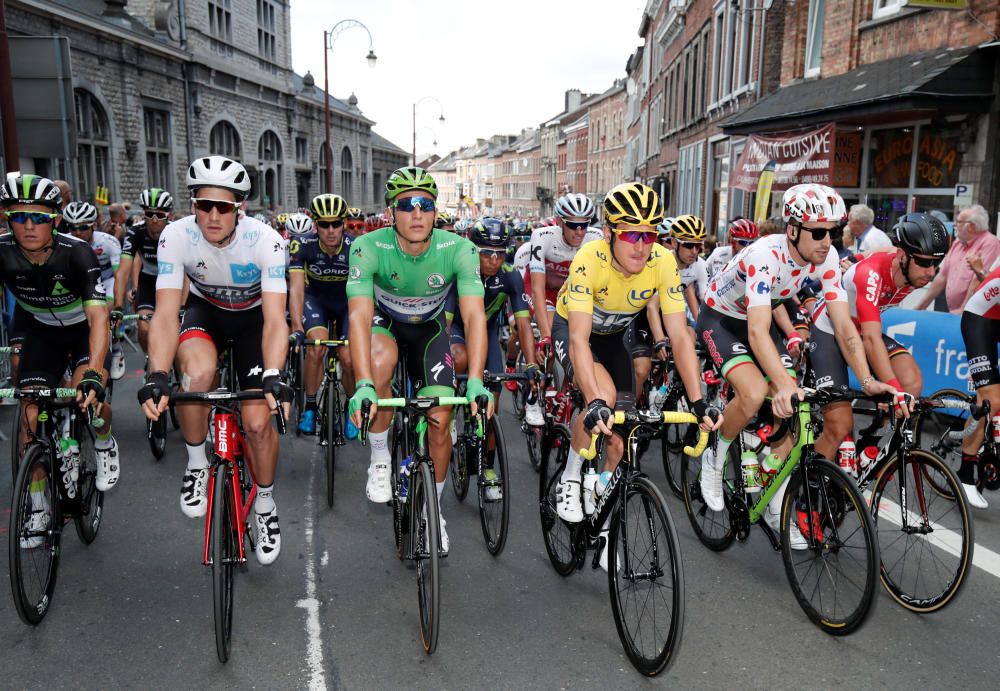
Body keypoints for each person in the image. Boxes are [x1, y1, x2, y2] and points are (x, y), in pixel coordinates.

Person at [696, 183, 896, 548]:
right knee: (756, 392)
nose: (827, 241)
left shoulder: (829, 259)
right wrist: (781, 383)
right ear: (792, 230)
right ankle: (716, 451)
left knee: (794, 410)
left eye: (833, 232)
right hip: (723, 320)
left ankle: (776, 505)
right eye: (818, 232)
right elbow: (757, 332)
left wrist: (867, 380)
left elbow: (843, 326)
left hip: (761, 316)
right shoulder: (764, 255)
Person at [553, 182, 721, 571]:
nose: (641, 246)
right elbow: (578, 338)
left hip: (613, 338)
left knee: (619, 439)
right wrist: (593, 400)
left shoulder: (662, 262)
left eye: (649, 235)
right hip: (574, 331)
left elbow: (680, 334)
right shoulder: (589, 259)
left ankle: (607, 529)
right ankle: (572, 475)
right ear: (609, 233)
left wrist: (698, 403)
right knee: (604, 401)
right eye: (630, 233)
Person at [137, 156, 289, 566]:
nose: (214, 215)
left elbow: (276, 319)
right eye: (205, 205)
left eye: (224, 207)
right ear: (193, 206)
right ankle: (197, 463)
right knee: (198, 375)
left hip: (254, 321)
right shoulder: (175, 236)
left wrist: (274, 373)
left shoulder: (267, 241)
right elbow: (167, 313)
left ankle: (265, 505)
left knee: (258, 424)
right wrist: (157, 373)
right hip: (207, 314)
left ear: (241, 208)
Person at [346, 167, 491, 555]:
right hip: (386, 325)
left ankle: (433, 511)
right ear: (390, 211)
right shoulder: (367, 247)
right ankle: (380, 457)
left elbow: (474, 315)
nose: (416, 214)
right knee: (379, 363)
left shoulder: (459, 249)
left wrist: (475, 379)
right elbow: (359, 316)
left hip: (430, 329)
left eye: (424, 205)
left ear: (434, 211)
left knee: (441, 419)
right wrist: (361, 383)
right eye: (405, 205)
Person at [0, 175, 120, 535]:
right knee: (29, 414)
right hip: (40, 329)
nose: (29, 226)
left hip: (83, 329)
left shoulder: (77, 252)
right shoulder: (2, 251)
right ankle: (37, 504)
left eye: (39, 217)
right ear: (8, 219)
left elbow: (99, 318)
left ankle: (102, 439)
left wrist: (95, 374)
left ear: (55, 219)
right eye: (20, 217)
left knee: (88, 397)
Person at [808, 213, 946, 464]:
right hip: (830, 329)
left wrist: (854, 257)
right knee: (839, 427)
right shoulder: (872, 275)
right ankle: (808, 492)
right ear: (904, 257)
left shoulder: (907, 265)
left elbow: (885, 250)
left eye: (936, 264)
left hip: (860, 328)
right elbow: (871, 339)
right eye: (925, 263)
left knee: (912, 383)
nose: (931, 272)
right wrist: (893, 389)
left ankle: (870, 441)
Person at [448, 217, 542, 427]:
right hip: (457, 329)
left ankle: (487, 460)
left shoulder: (510, 276)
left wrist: (531, 363)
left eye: (500, 253)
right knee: (459, 359)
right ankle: (451, 414)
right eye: (486, 252)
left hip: (487, 332)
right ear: (473, 250)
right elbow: (445, 322)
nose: (494, 260)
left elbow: (524, 322)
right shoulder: (458, 271)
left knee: (492, 409)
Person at [289, 193, 356, 438]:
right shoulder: (302, 245)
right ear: (315, 224)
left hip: (347, 303)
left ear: (344, 224)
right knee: (316, 347)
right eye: (324, 224)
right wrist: (296, 327)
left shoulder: (355, 248)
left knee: (348, 357)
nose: (330, 230)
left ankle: (351, 406)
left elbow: (363, 292)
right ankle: (309, 407)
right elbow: (296, 288)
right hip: (315, 299)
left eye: (336, 223)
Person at [527, 193, 602, 357]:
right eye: (573, 225)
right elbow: (537, 289)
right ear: (560, 222)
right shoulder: (543, 237)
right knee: (554, 335)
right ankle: (547, 372)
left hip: (572, 294)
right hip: (547, 292)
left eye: (585, 225)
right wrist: (546, 336)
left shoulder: (596, 237)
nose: (580, 232)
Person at [113, 188, 174, 355]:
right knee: (144, 327)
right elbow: (122, 272)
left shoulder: (177, 231)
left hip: (172, 282)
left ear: (168, 215)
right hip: (148, 281)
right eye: (149, 214)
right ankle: (152, 359)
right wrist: (118, 307)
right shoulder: (134, 232)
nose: (154, 220)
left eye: (159, 215)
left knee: (176, 329)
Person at [916, 204, 998, 314]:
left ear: (971, 226)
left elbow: (978, 280)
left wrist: (964, 309)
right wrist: (921, 305)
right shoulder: (958, 243)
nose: (955, 224)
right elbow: (942, 276)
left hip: (972, 315)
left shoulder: (990, 243)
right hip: (955, 312)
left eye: (959, 222)